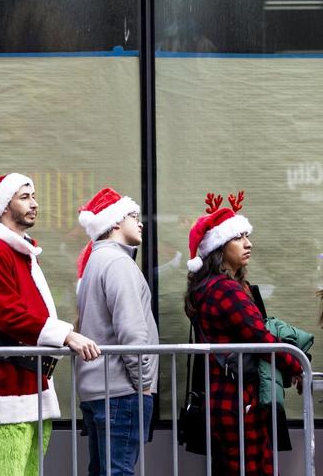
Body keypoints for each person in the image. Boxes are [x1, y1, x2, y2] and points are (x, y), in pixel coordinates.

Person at [0, 173, 100, 476]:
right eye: (24, 197)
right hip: (4, 385)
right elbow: (7, 315)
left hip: (28, 381)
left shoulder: (17, 251)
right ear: (2, 206)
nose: (35, 203)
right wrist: (65, 335)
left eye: (33, 196)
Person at [184, 192, 303, 476]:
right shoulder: (224, 289)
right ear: (219, 248)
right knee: (252, 469)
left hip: (227, 395)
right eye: (238, 238)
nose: (248, 243)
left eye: (246, 236)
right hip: (238, 398)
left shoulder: (208, 287)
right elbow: (260, 336)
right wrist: (297, 364)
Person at [74, 188, 159, 476]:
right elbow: (131, 329)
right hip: (121, 389)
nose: (140, 222)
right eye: (133, 215)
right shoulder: (119, 263)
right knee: (119, 470)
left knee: (102, 470)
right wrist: (144, 382)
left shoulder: (95, 262)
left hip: (98, 388)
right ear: (114, 223)